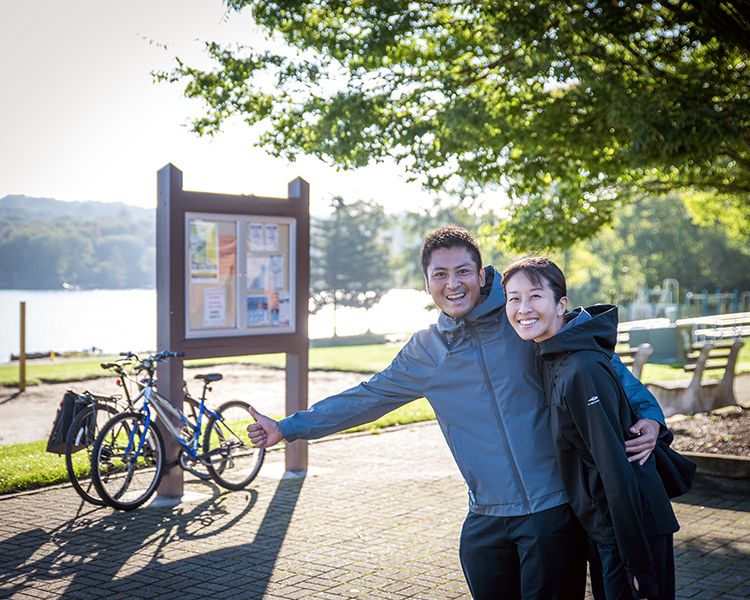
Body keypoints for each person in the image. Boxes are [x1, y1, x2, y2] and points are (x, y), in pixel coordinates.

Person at [247, 225, 667, 600]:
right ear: (427, 283)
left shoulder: (520, 317)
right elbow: (367, 397)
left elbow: (595, 356)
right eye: (440, 274)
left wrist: (650, 413)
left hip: (552, 513)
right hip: (484, 520)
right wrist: (287, 427)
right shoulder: (426, 351)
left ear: (482, 275)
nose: (453, 283)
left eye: (463, 271)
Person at [501, 256, 678, 600]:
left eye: (535, 296)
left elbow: (614, 469)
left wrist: (637, 564)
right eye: (514, 298)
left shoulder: (580, 367)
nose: (523, 307)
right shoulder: (552, 354)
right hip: (605, 526)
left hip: (630, 528)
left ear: (561, 304)